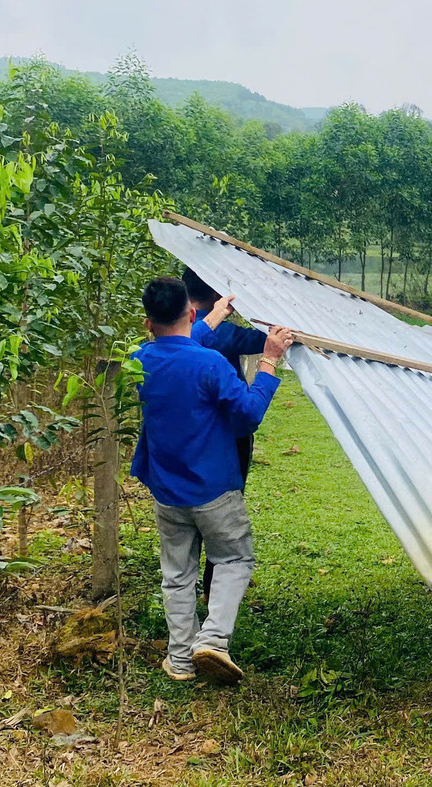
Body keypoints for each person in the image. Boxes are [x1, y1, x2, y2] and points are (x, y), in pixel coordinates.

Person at [131, 276, 294, 684]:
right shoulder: (211, 364)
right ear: (190, 313)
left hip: (167, 492)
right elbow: (249, 414)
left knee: (177, 574)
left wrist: (214, 317)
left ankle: (180, 660)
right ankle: (213, 641)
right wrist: (269, 360)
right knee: (234, 559)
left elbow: (179, 345)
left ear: (148, 323)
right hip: (214, 490)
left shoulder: (139, 361)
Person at [183, 266, 266, 600]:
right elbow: (262, 340)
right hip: (229, 436)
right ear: (218, 294)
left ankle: (187, 591)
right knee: (224, 511)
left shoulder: (171, 332)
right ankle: (212, 589)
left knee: (187, 516)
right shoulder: (219, 333)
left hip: (189, 438)